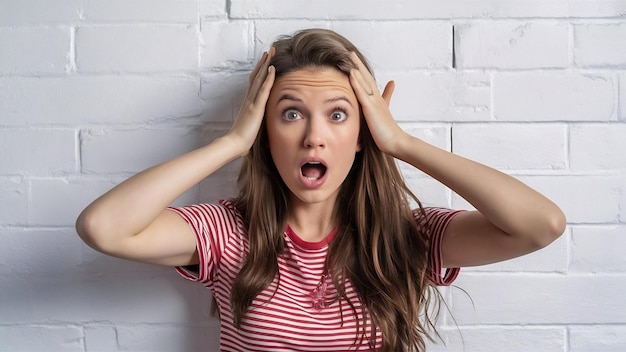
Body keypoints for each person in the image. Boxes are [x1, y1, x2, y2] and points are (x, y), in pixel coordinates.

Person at [76, 28, 566, 352]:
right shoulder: (226, 232)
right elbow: (103, 228)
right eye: (291, 114)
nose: (314, 136)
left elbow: (540, 226)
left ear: (360, 136)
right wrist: (232, 142)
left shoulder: (406, 237)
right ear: (267, 134)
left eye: (337, 114)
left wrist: (400, 142)